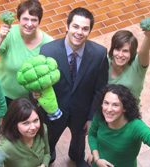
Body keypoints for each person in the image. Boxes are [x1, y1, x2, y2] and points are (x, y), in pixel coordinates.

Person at [33, 7, 109, 167]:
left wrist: (91, 117)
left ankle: (76, 156)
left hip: (82, 113)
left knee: (79, 139)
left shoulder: (99, 54)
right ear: (67, 26)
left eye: (85, 28)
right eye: (75, 26)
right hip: (55, 112)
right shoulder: (48, 51)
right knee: (49, 139)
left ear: (89, 31)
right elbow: (37, 81)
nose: (79, 32)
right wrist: (34, 93)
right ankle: (50, 154)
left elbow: (100, 90)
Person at [0, 0, 53, 106]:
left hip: (30, 100)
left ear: (39, 21)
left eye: (34, 20)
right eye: (25, 19)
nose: (29, 24)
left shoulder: (48, 43)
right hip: (2, 94)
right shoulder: (9, 33)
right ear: (18, 19)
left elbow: (51, 73)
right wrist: (0, 38)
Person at [88, 84, 150, 167]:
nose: (109, 109)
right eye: (106, 103)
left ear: (125, 108)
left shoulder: (135, 127)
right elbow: (92, 135)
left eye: (115, 105)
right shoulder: (100, 116)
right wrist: (96, 158)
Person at [0, 98, 50, 167]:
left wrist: (44, 164)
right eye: (26, 123)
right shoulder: (6, 145)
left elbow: (47, 153)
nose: (33, 127)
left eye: (35, 120)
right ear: (14, 124)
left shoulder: (42, 129)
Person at [108, 29, 150, 104]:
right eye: (117, 49)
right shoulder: (106, 61)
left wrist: (148, 36)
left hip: (129, 111)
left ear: (132, 52)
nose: (120, 55)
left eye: (125, 51)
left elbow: (144, 52)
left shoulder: (137, 65)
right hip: (108, 109)